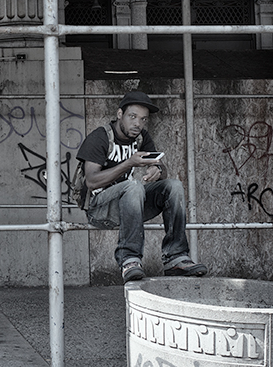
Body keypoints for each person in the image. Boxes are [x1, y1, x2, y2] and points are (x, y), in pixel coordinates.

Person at [76, 91, 208, 283]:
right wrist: (128, 163)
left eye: (143, 119)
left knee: (174, 186)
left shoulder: (141, 138)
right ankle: (129, 259)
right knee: (133, 186)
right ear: (120, 114)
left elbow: (162, 169)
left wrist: (157, 169)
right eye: (133, 117)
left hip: (129, 206)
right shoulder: (101, 137)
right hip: (99, 209)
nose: (138, 124)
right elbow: (92, 181)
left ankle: (175, 257)